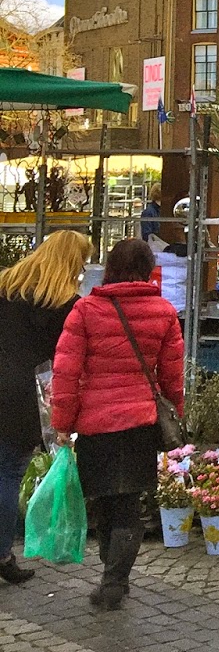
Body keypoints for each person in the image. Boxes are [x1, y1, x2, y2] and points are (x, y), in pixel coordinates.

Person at [51, 238, 184, 611]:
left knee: (105, 501)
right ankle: (115, 579)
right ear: (147, 268)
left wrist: (62, 423)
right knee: (128, 502)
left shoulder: (85, 311)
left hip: (96, 423)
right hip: (140, 421)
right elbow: (172, 375)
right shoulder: (164, 312)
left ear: (109, 267)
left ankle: (111, 575)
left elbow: (66, 373)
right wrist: (177, 410)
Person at [0, 231, 92, 585]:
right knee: (8, 472)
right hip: (25, 398)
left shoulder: (7, 287)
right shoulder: (69, 306)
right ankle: (2, 554)